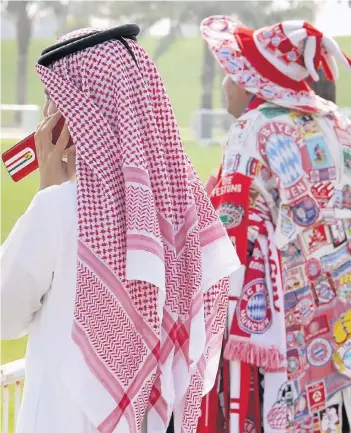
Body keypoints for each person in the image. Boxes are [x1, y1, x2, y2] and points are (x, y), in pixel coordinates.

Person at [1, 25, 241, 433]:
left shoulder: (59, 209)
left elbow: (5, 317)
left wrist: (46, 190)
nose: (44, 119)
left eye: (52, 105)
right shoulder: (189, 212)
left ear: (75, 117)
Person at [198, 16, 351, 433]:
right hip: (338, 313)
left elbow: (232, 232)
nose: (226, 85)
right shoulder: (337, 124)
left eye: (231, 74)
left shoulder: (252, 126)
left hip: (282, 320)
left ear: (250, 80)